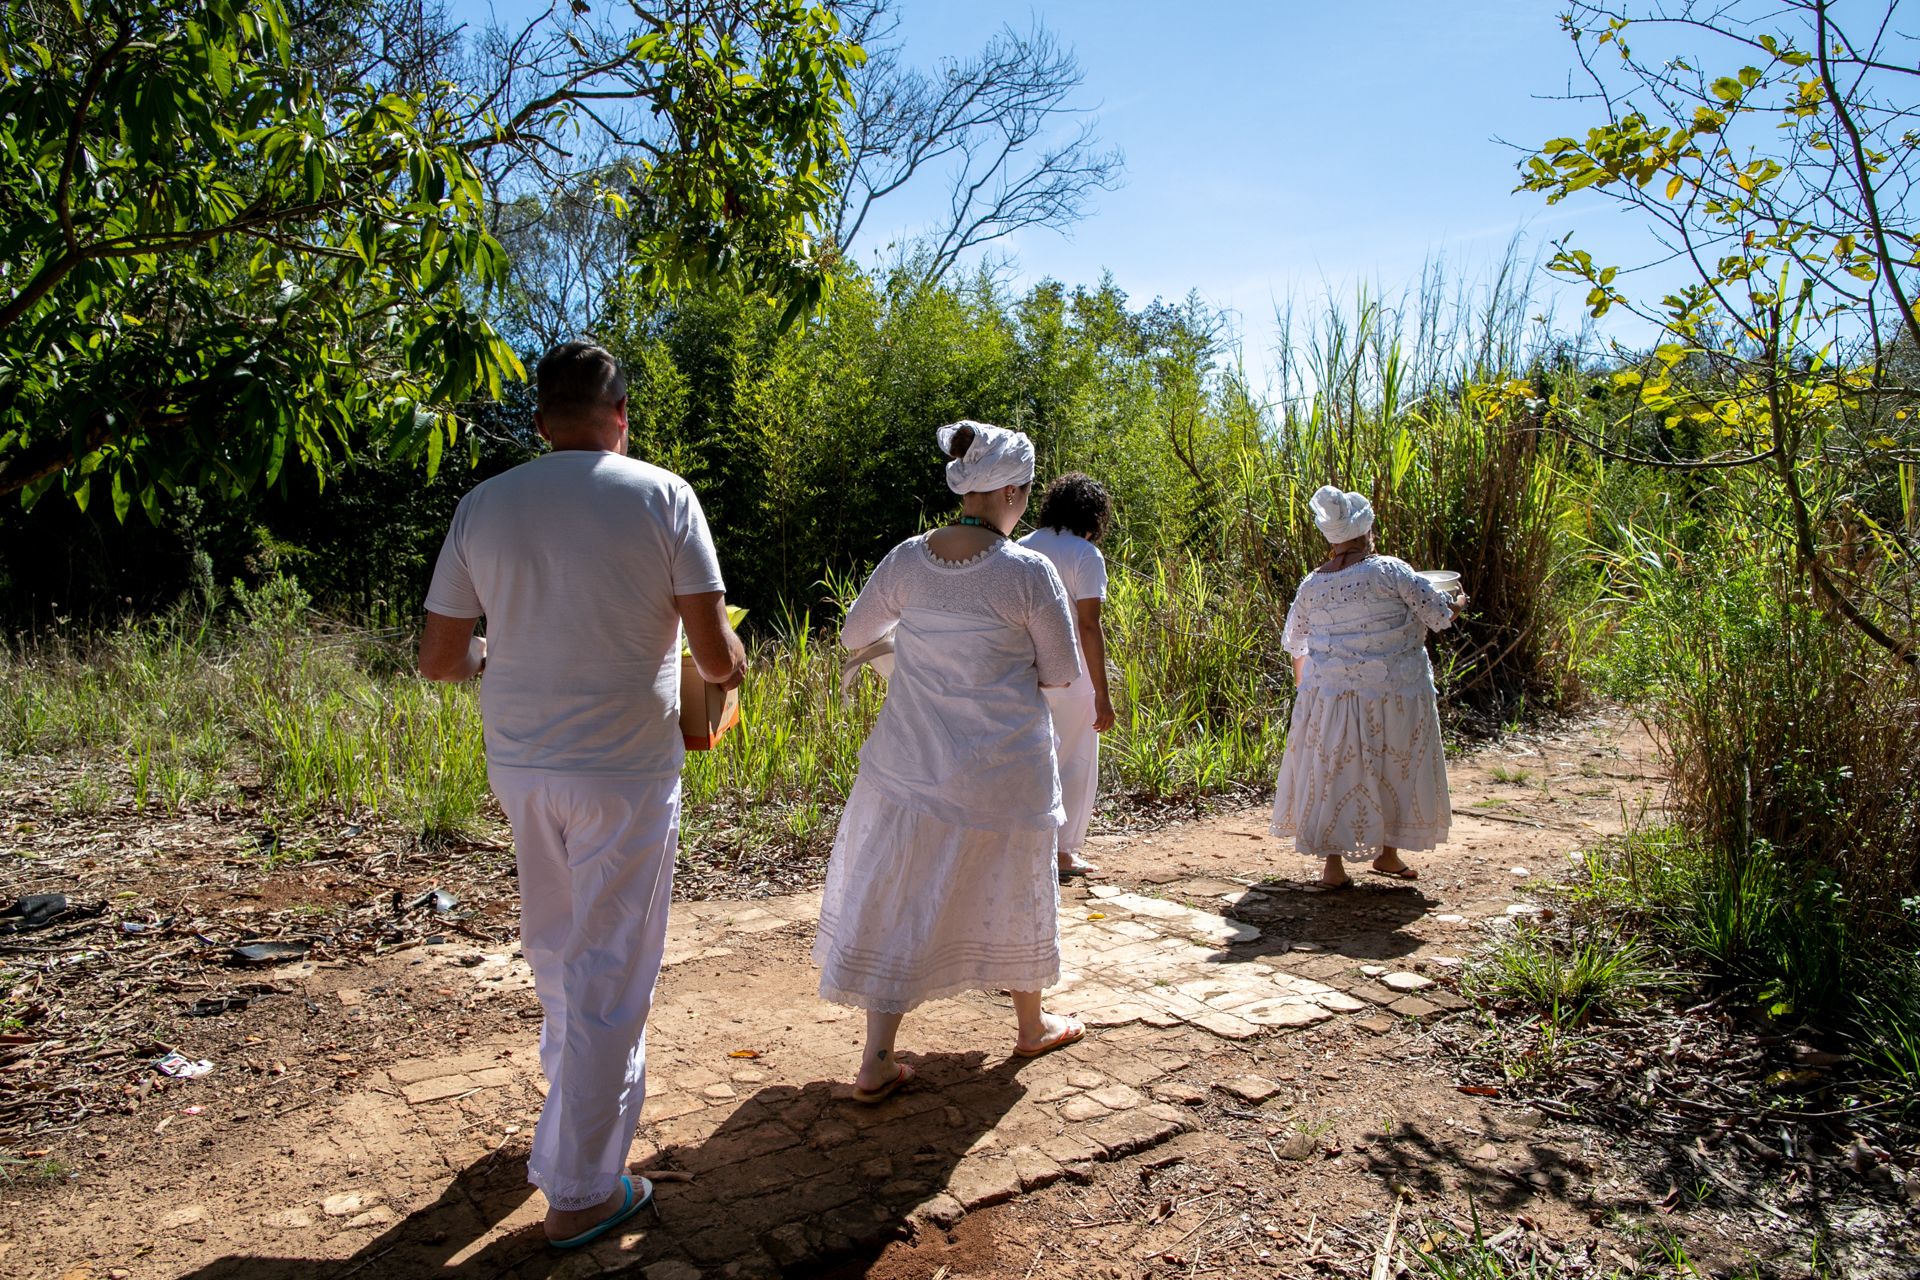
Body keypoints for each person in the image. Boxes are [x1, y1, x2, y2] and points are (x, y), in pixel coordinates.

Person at [417, 341, 746, 1249]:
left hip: (522, 761)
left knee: (559, 945)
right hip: (627, 768)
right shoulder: (663, 495)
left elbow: (442, 660)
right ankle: (582, 1189)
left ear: (540, 423)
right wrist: (734, 665)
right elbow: (715, 656)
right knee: (613, 968)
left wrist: (496, 652)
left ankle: (568, 1119)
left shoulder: (485, 503)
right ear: (622, 418)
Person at [814, 419, 1086, 1102]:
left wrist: (921, 641)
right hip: (1005, 769)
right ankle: (1030, 1024)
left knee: (904, 894)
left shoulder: (908, 558)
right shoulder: (1029, 572)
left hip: (913, 764)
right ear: (1016, 490)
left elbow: (854, 633)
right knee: (1016, 882)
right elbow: (1059, 675)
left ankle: (877, 1056)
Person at [1269, 485, 1466, 888]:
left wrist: (1308, 694)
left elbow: (1296, 643)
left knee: (1334, 771)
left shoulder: (1312, 583)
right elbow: (1437, 615)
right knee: (1392, 766)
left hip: (1331, 697)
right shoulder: (1389, 570)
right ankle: (1388, 854)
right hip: (1395, 693)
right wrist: (1459, 603)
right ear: (1366, 532)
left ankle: (1334, 867)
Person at [1018, 473, 1117, 882]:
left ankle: (1026, 846)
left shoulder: (1020, 547)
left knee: (1033, 759)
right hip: (1073, 676)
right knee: (1074, 760)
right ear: (1092, 516)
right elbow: (1089, 626)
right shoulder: (1085, 554)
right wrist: (1102, 692)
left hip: (1025, 671)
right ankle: (1061, 852)